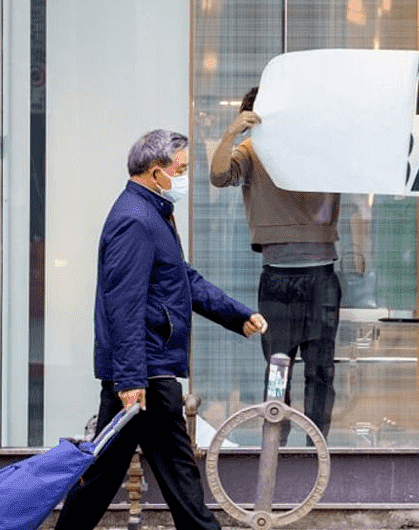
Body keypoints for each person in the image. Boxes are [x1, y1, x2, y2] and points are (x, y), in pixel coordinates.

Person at [54, 129, 268, 530]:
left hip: (143, 372)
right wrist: (132, 380)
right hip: (146, 374)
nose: (186, 177)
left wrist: (236, 315)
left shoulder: (152, 214)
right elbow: (124, 305)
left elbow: (181, 281)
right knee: (177, 476)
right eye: (181, 169)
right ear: (156, 173)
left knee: (107, 477)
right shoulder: (135, 221)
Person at [210, 87, 342, 442]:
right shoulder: (253, 151)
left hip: (319, 271)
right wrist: (231, 133)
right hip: (280, 275)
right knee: (277, 369)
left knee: (320, 368)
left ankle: (317, 445)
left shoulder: (320, 148)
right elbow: (219, 175)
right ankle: (275, 444)